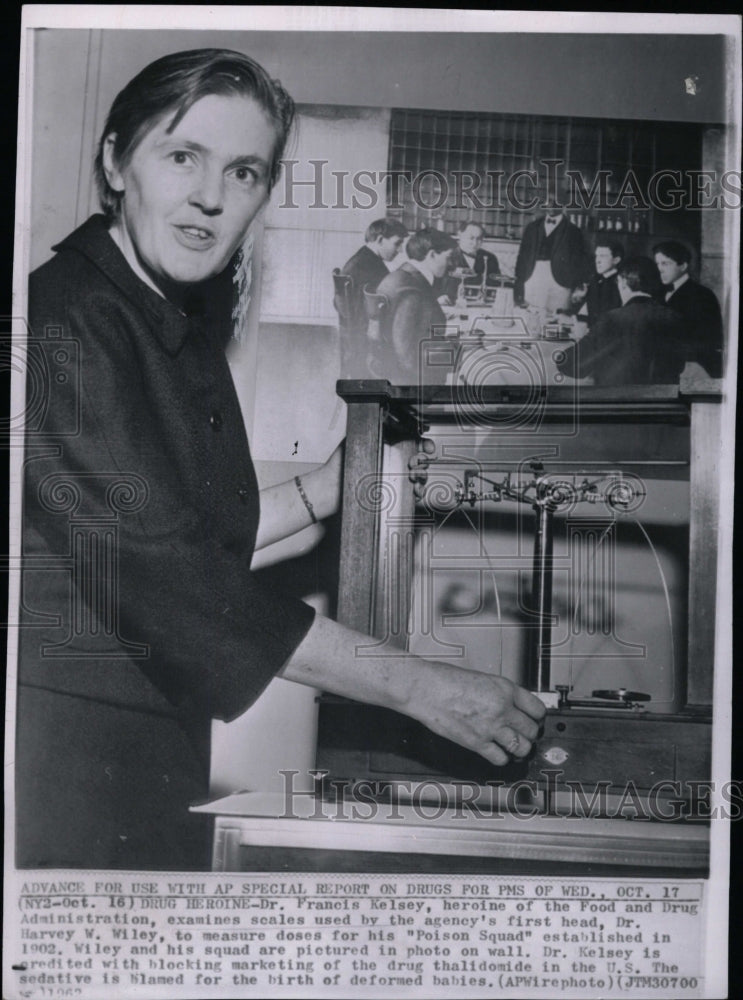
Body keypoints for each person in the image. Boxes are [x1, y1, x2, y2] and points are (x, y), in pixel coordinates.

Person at [17, 49, 544, 871]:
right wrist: (417, 686)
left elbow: (192, 541)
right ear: (115, 161)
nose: (210, 197)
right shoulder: (64, 319)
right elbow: (165, 575)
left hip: (143, 736)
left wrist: (324, 489)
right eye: (181, 155)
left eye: (244, 171)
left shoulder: (160, 317)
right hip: (65, 754)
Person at [556, 256, 686, 385]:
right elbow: (678, 367)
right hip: (662, 401)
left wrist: (581, 339)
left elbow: (569, 364)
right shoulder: (675, 318)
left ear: (623, 283)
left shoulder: (613, 319)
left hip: (619, 400)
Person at [372, 227, 457, 383]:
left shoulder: (403, 276)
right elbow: (407, 355)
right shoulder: (413, 291)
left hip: (385, 368)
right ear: (432, 255)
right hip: (407, 383)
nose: (451, 264)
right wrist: (456, 353)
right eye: (448, 258)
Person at [335, 217, 407, 377]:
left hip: (354, 339)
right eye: (397, 243)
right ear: (380, 240)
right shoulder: (370, 267)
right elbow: (390, 301)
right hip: (366, 345)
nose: (400, 250)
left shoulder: (362, 259)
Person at [653, 240, 724, 378]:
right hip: (661, 371)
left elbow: (710, 339)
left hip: (692, 370)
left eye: (665, 263)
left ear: (683, 266)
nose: (659, 269)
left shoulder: (703, 295)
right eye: (657, 264)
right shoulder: (657, 293)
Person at [514, 197, 589, 314]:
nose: (552, 204)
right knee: (531, 314)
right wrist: (519, 280)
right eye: (548, 201)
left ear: (564, 204)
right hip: (533, 277)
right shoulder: (532, 227)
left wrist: (574, 285)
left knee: (557, 318)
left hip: (561, 281)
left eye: (557, 201)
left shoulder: (573, 231)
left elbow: (579, 261)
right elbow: (522, 256)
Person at [443, 221, 500, 303]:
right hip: (451, 304)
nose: (475, 243)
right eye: (471, 238)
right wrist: (439, 297)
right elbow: (435, 284)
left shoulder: (490, 258)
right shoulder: (448, 256)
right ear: (460, 235)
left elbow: (496, 284)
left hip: (482, 307)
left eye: (479, 239)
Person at [573, 240, 624, 327]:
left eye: (603, 256)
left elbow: (607, 320)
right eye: (597, 256)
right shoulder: (595, 279)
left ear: (616, 260)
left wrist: (574, 318)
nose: (597, 261)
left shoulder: (620, 284)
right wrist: (579, 299)